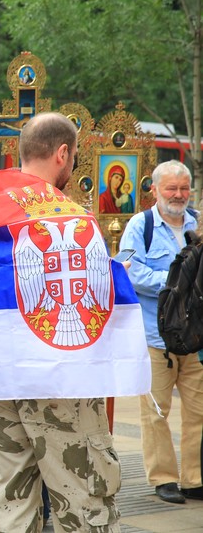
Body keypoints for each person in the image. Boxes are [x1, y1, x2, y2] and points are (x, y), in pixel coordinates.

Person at [0, 112, 151, 531]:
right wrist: (117, 274)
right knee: (83, 493)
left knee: (9, 497)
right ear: (62, 153)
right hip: (60, 379)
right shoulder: (71, 218)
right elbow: (93, 293)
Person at [119, 159, 203, 504]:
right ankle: (163, 478)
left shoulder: (198, 222)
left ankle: (194, 478)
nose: (179, 195)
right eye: (171, 188)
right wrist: (175, 284)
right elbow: (127, 268)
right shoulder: (140, 226)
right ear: (154, 190)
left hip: (195, 337)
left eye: (184, 188)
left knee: (199, 411)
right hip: (156, 337)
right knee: (156, 412)